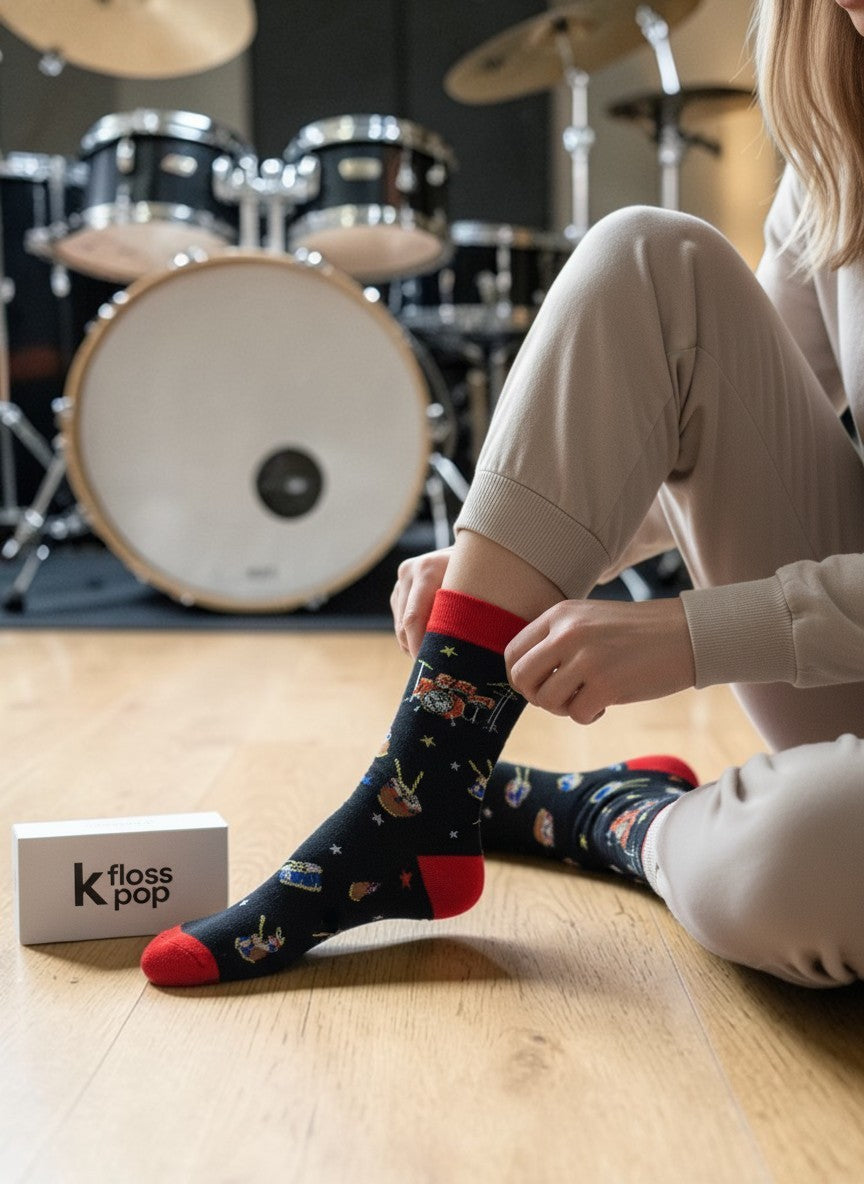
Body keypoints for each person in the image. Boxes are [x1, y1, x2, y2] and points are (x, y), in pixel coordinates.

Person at [141, 0, 864, 990]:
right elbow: (703, 413)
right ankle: (423, 789)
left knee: (792, 860)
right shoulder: (843, 147)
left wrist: (688, 633)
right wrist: (517, 561)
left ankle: (601, 812)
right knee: (652, 258)